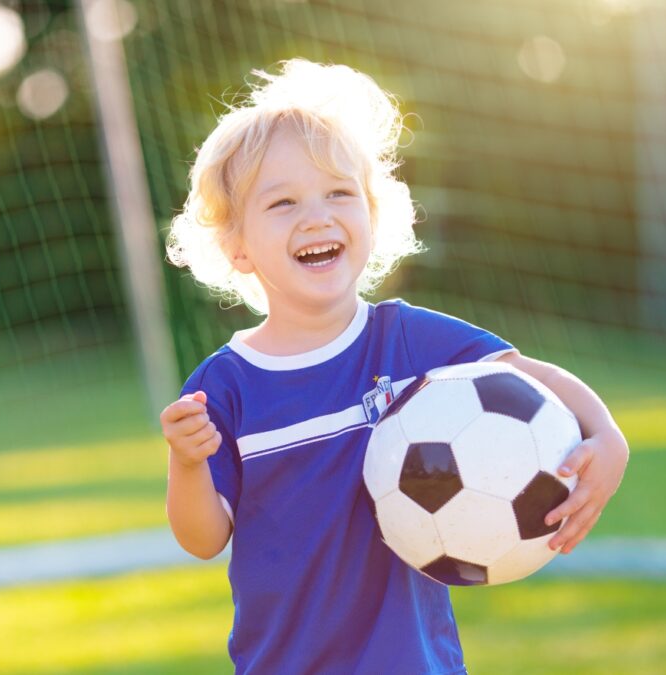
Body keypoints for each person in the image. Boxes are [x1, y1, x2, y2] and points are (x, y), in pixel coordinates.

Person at [161, 58, 629, 674]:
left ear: (373, 214)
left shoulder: (408, 339)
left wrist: (607, 437)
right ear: (236, 246)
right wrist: (187, 462)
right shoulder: (225, 387)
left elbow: (534, 378)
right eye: (283, 202)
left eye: (339, 193)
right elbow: (203, 539)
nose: (317, 216)